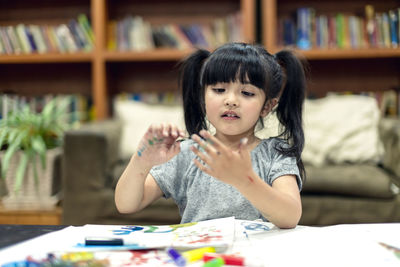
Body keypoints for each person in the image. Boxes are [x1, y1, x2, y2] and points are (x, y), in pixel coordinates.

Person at [115, 42, 307, 229]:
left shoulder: (276, 153)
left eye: (247, 93)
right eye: (219, 90)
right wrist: (141, 160)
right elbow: (126, 204)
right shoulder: (185, 153)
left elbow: (290, 216)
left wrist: (245, 180)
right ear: (203, 97)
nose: (231, 100)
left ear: (266, 106)